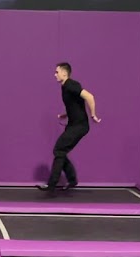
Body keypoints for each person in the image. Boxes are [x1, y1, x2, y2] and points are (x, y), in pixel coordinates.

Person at [37, 62, 100, 193]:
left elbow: (90, 97)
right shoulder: (65, 87)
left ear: (64, 73)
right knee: (61, 151)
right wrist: (65, 115)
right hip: (73, 125)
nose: (55, 75)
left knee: (59, 150)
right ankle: (72, 180)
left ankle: (52, 184)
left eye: (57, 72)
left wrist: (93, 114)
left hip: (80, 126)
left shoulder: (71, 84)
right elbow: (74, 104)